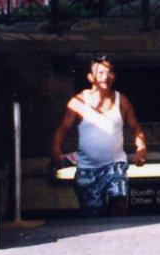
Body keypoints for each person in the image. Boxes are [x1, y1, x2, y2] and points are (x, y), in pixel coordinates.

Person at [50, 56, 147, 217]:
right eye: (100, 73)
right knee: (93, 215)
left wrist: (141, 147)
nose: (105, 77)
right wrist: (55, 149)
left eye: (109, 73)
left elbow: (135, 128)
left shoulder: (122, 102)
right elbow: (62, 129)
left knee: (119, 204)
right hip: (88, 169)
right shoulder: (78, 102)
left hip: (115, 165)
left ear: (113, 76)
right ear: (91, 77)